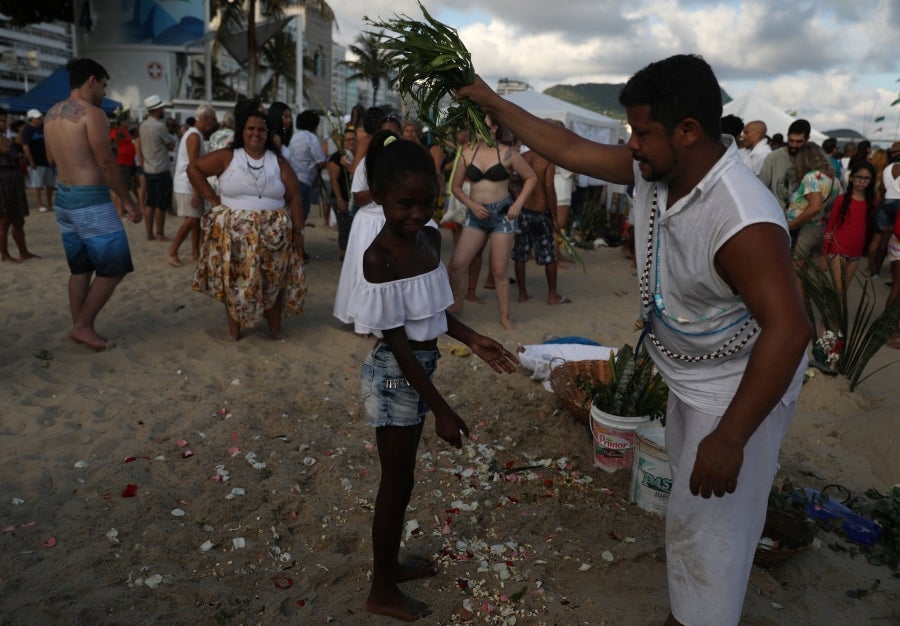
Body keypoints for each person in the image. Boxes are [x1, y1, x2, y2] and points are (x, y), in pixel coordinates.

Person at [458, 53, 811, 626]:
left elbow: (791, 329)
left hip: (738, 391)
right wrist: (489, 99)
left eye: (643, 133)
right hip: (691, 380)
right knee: (693, 510)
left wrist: (730, 438)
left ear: (689, 131)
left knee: (709, 529)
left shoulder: (741, 218)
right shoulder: (660, 170)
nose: (633, 145)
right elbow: (567, 147)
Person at [345, 133, 519, 621]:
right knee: (395, 481)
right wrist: (442, 408)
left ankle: (391, 567)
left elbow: (432, 312)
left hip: (418, 371)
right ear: (378, 196)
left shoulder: (427, 238)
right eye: (404, 204)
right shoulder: (378, 257)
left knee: (405, 478)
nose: (416, 213)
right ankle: (381, 588)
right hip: (396, 376)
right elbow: (399, 343)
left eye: (427, 202)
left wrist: (472, 338)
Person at [44, 58, 142, 349]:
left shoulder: (51, 114)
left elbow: (50, 159)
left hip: (63, 198)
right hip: (90, 201)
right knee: (114, 267)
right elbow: (106, 162)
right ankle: (84, 326)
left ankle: (79, 326)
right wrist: (127, 200)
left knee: (80, 268)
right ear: (91, 81)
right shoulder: (93, 114)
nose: (103, 90)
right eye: (103, 84)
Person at [187, 102, 307, 341]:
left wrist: (298, 231)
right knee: (235, 282)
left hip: (274, 236)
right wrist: (212, 199)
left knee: (273, 282)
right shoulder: (228, 157)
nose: (256, 133)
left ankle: (275, 331)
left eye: (261, 129)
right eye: (251, 128)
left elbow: (294, 196)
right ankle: (235, 333)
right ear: (242, 131)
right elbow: (194, 169)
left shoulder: (278, 162)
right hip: (235, 236)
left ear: (268, 133)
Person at [447, 114, 536, 329]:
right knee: (458, 264)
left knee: (498, 270)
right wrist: (471, 204)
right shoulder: (468, 151)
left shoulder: (508, 152)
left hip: (503, 215)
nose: (479, 129)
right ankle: (458, 303)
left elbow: (531, 177)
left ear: (495, 128)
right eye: (477, 124)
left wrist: (518, 204)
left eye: (484, 125)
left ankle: (505, 317)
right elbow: (455, 187)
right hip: (476, 214)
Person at [333, 118, 404, 333]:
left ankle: (388, 321)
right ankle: (363, 322)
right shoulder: (365, 165)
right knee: (364, 271)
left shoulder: (402, 165)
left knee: (391, 273)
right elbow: (358, 197)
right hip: (368, 223)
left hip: (391, 221)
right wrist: (379, 187)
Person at [514, 145, 571, 304]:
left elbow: (517, 183)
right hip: (540, 212)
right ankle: (552, 295)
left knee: (521, 253)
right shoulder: (547, 161)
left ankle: (522, 294)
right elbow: (549, 190)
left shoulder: (523, 158)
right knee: (548, 254)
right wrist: (554, 217)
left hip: (523, 210)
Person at [165, 104, 218, 268]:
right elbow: (193, 165)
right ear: (206, 119)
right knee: (191, 219)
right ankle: (172, 251)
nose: (214, 124)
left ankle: (196, 252)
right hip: (187, 184)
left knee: (196, 220)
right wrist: (197, 191)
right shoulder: (194, 136)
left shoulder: (195, 134)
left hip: (188, 183)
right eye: (213, 120)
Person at [822, 162, 877, 290]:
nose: (862, 181)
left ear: (871, 180)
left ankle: (835, 310)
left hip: (856, 252)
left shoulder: (872, 203)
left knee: (843, 291)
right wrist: (825, 255)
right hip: (839, 249)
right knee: (839, 290)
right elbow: (829, 227)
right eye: (858, 177)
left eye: (866, 178)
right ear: (851, 178)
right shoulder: (841, 200)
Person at [785, 142, 838, 261]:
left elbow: (816, 206)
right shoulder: (832, 178)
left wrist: (792, 224)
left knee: (796, 270)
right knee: (806, 269)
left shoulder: (811, 177)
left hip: (804, 229)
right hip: (819, 227)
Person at [0, 110, 39, 262]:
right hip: (2, 182)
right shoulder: (6, 140)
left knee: (18, 220)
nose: (3, 123)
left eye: (4, 120)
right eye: (0, 121)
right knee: (5, 220)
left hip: (13, 179)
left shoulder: (7, 138)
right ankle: (4, 254)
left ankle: (24, 252)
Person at [139, 95, 175, 241]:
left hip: (149, 170)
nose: (163, 110)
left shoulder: (143, 125)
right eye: (161, 108)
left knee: (150, 203)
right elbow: (170, 145)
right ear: (157, 109)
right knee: (161, 205)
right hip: (161, 170)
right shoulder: (160, 126)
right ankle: (160, 234)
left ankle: (149, 234)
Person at [758, 118, 810, 209]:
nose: (793, 145)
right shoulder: (773, 158)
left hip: (802, 218)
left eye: (798, 142)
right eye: (791, 140)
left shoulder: (811, 160)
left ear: (807, 140)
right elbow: (761, 188)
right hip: (777, 215)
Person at [866, 142, 900, 278]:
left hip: (886, 204)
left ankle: (874, 270)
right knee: (896, 240)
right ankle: (895, 274)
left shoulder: (887, 168)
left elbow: (881, 190)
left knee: (880, 239)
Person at [287, 110, 327, 223]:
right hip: (304, 182)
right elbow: (321, 161)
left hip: (291, 179)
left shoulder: (295, 136)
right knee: (301, 215)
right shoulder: (311, 138)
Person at [327, 127, 356, 260]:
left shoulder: (358, 156)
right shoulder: (337, 156)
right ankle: (343, 253)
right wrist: (339, 199)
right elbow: (334, 180)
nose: (352, 142)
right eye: (348, 139)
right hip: (341, 198)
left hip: (353, 199)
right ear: (343, 142)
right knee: (344, 228)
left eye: (354, 139)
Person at [21, 109, 55, 213]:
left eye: (40, 117)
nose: (40, 119)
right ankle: (39, 204)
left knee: (50, 184)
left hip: (47, 160)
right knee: (37, 185)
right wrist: (31, 161)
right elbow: (26, 147)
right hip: (36, 161)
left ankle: (49, 203)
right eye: (37, 117)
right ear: (31, 118)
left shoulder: (43, 128)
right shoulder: (27, 130)